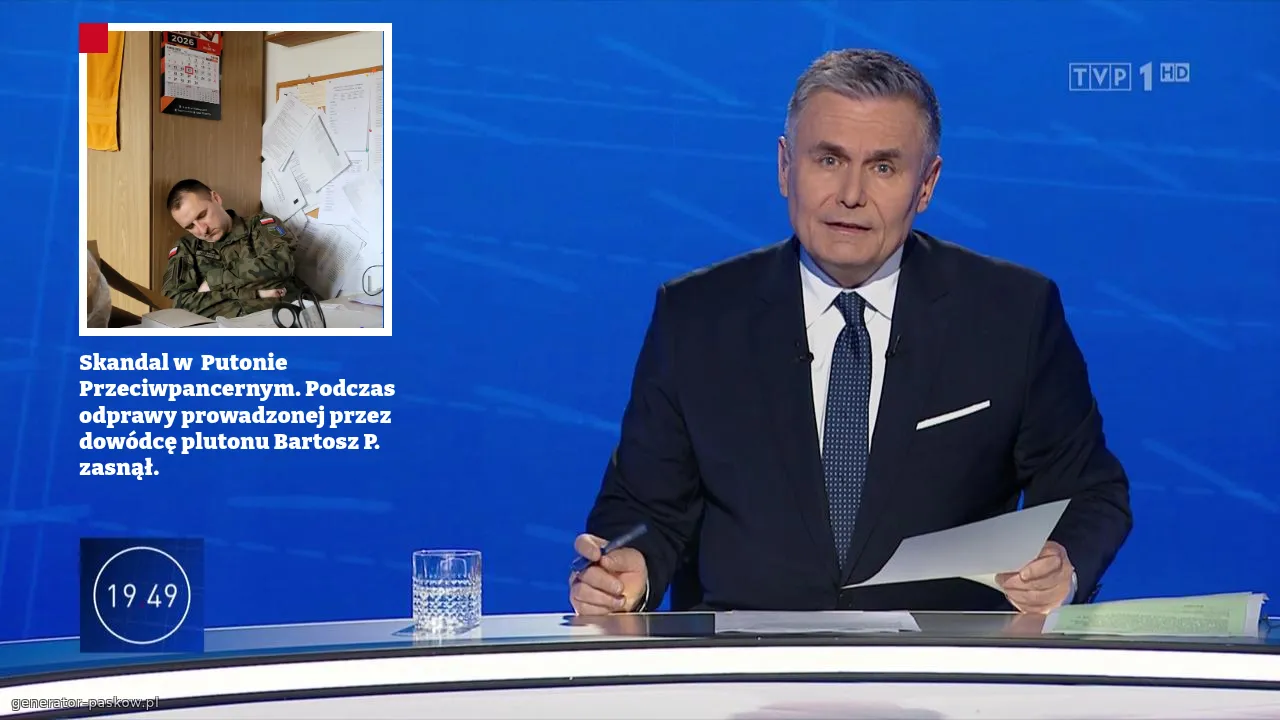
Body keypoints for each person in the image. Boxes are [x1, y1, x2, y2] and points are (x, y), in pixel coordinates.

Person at [571, 49, 1132, 616]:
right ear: (785, 167)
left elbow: (1089, 491)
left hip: (944, 663)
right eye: (829, 159)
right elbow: (644, 509)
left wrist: (1063, 564)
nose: (851, 194)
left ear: (927, 184)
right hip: (744, 662)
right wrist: (629, 569)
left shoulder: (1012, 314)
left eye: (883, 167)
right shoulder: (696, 317)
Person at [162, 179, 310, 318]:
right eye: (190, 226)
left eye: (202, 215)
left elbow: (281, 265)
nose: (202, 230)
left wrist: (214, 281)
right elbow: (181, 306)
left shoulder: (259, 225)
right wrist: (256, 294)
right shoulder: (187, 248)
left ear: (216, 198)